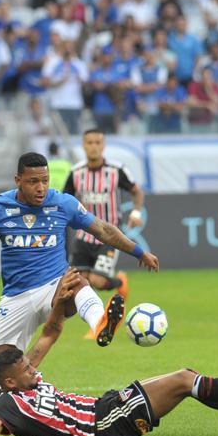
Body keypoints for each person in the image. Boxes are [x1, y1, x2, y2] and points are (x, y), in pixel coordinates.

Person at [0, 152, 161, 409]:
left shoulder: (64, 203)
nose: (41, 188)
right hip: (16, 297)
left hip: (55, 286)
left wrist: (139, 252)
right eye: (33, 181)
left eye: (45, 180)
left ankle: (100, 324)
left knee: (76, 281)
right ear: (18, 180)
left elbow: (104, 230)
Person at [0, 271, 218, 436]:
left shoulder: (26, 381)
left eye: (28, 363)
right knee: (185, 380)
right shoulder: (8, 404)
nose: (32, 367)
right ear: (8, 382)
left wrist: (60, 301)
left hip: (105, 408)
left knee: (189, 380)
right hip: (104, 424)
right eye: (25, 367)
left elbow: (51, 332)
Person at [62, 129, 146, 312]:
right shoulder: (76, 172)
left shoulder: (116, 170)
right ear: (83, 145)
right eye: (89, 143)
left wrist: (136, 213)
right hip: (83, 237)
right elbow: (65, 201)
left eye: (97, 142)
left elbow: (136, 191)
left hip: (109, 237)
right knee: (78, 282)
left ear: (104, 145)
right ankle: (98, 319)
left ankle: (119, 281)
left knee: (97, 281)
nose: (94, 147)